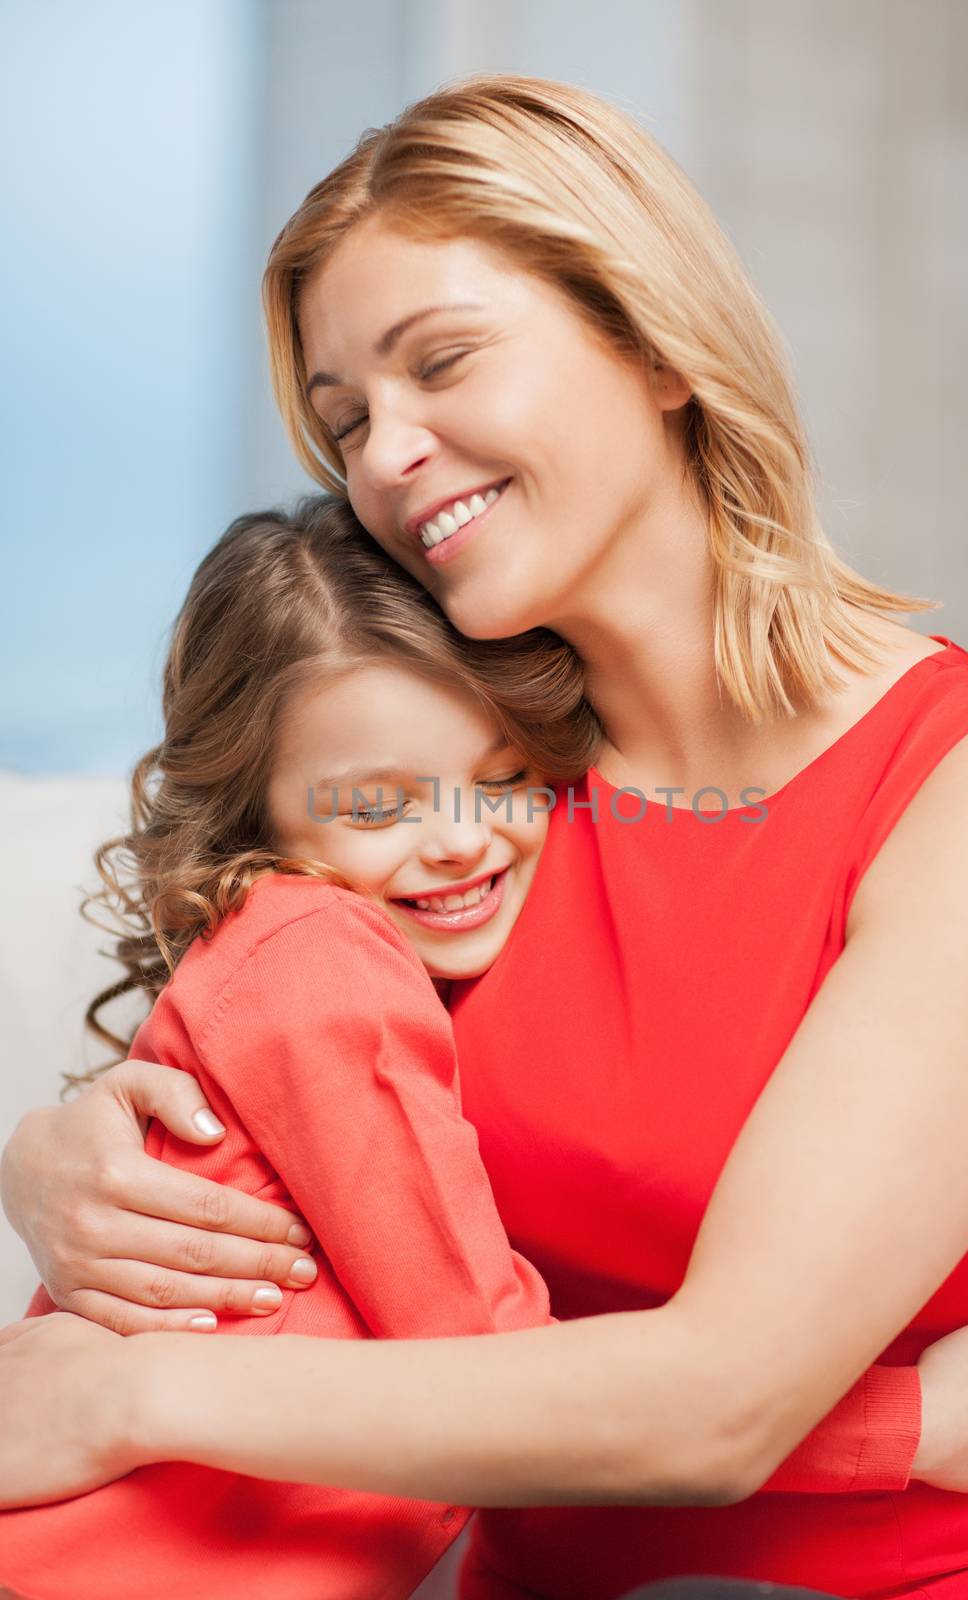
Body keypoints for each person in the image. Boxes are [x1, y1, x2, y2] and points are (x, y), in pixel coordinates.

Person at [2, 74, 968, 1600]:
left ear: (648, 344)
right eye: (345, 420)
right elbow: (280, 1067)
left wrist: (120, 1397)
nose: (385, 453)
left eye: (441, 363)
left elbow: (719, 1403)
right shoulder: (464, 806)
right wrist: (56, 1161)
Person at [0, 495, 598, 1599]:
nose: (462, 836)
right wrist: (903, 1430)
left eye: (505, 775)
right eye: (378, 806)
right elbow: (498, 1372)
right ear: (255, 821)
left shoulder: (319, 961)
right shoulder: (317, 954)